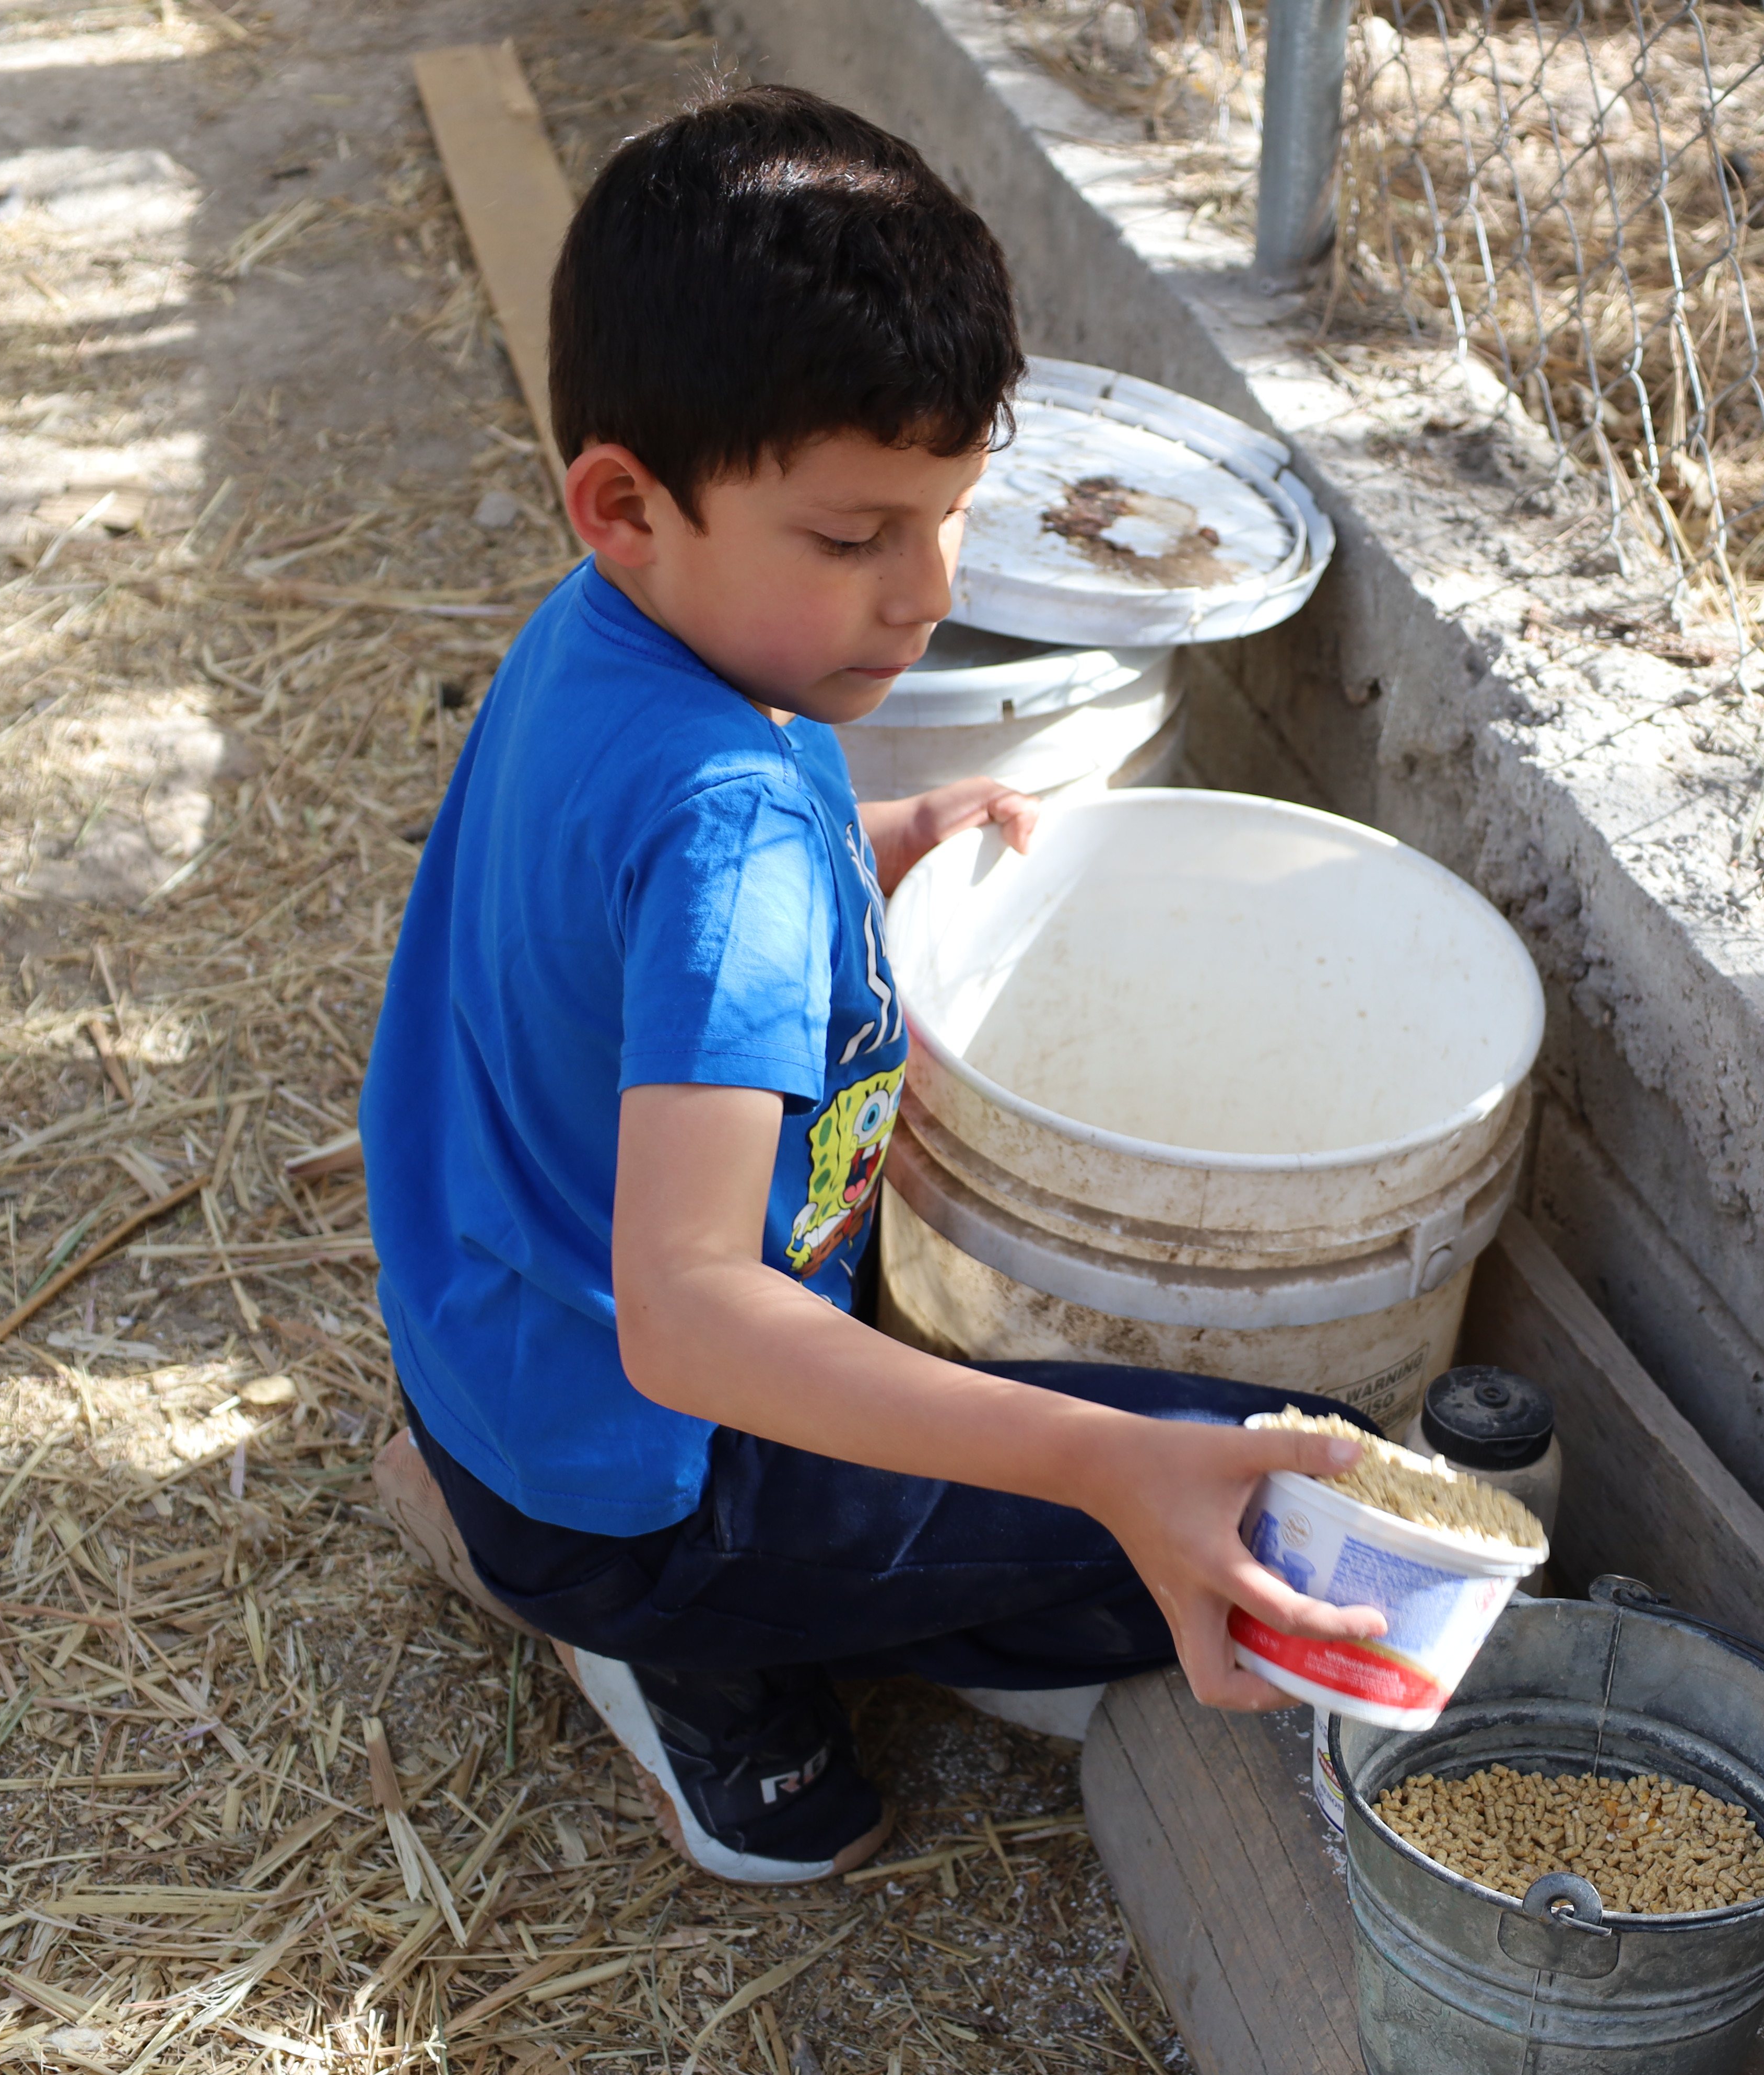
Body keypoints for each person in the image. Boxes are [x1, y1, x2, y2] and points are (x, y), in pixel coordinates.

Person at [359, 84, 1384, 1885]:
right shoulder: (731, 823)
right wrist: (1098, 1469)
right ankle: (687, 1652)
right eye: (857, 538)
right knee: (1298, 1499)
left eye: (953, 515)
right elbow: (686, 1320)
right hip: (643, 1479)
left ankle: (559, 1531)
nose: (928, 593)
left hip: (496, 1356)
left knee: (1160, 1479)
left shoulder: (610, 638)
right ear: (626, 503)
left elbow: (615, 915)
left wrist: (881, 836)